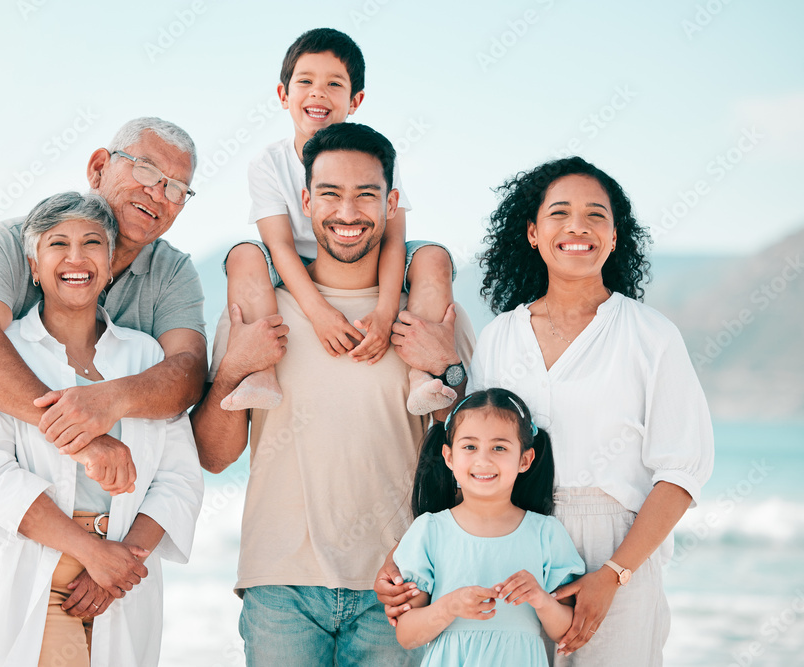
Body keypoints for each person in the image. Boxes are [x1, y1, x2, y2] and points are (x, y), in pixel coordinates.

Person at [376, 156, 714, 666]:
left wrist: (614, 573)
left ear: (616, 236)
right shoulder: (501, 335)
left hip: (617, 542)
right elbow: (477, 454)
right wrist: (407, 555)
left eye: (596, 215)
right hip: (511, 537)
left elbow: (682, 472)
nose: (578, 226)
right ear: (533, 233)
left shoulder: (651, 336)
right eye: (560, 213)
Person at [0, 117, 207, 667]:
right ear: (100, 165)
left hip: (114, 550)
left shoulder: (169, 277)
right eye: (146, 170)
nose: (158, 193)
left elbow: (187, 375)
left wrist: (108, 402)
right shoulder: (12, 241)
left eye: (176, 187)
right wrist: (88, 441)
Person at [191, 122, 475, 666]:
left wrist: (447, 369)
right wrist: (231, 374)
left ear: (392, 204)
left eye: (366, 194)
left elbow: (472, 455)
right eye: (330, 194)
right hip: (280, 586)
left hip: (401, 584)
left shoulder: (427, 315)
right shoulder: (259, 311)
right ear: (305, 201)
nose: (348, 212)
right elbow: (214, 455)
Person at [221, 27, 459, 416]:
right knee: (243, 256)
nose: (318, 93)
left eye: (334, 83)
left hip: (369, 253)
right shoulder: (267, 163)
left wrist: (385, 314)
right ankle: (260, 372)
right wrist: (318, 312)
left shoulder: (377, 156)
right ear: (284, 96)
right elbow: (279, 245)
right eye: (306, 81)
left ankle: (424, 374)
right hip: (296, 265)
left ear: (355, 100)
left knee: (434, 258)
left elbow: (395, 239)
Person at [393, 388, 584, 666]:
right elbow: (407, 635)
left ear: (525, 460)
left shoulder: (546, 533)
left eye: (499, 447)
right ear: (448, 457)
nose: (483, 459)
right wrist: (449, 606)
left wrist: (541, 599)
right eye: (469, 446)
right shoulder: (429, 531)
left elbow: (565, 631)